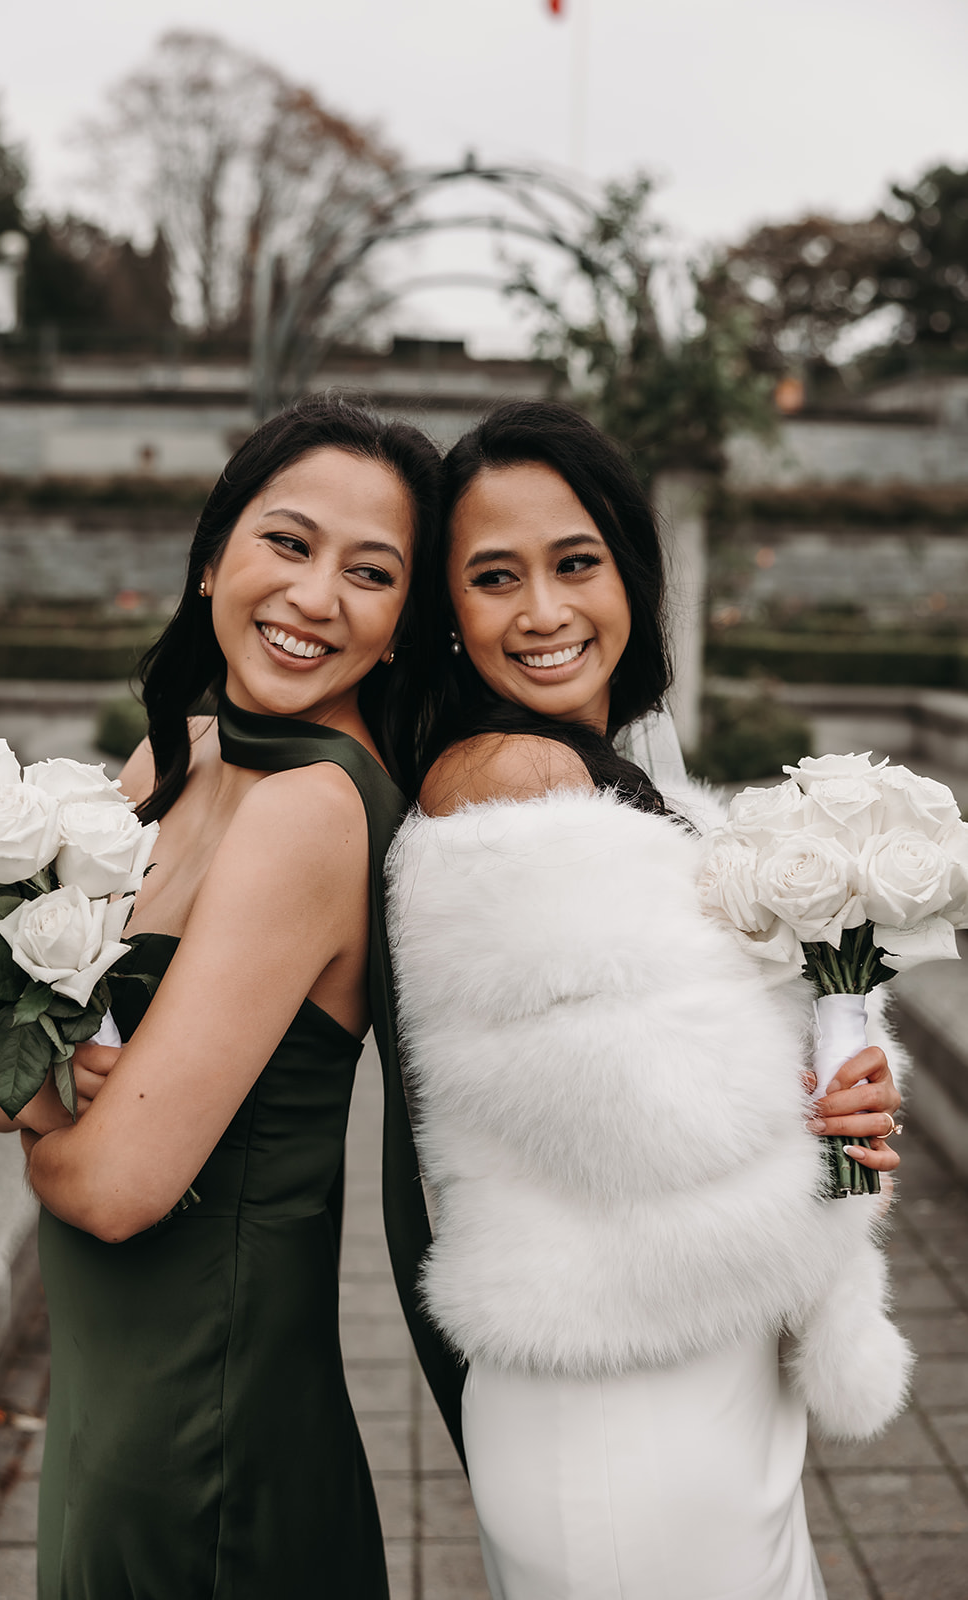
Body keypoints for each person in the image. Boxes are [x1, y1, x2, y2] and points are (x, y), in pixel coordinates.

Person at [386, 400, 910, 1600]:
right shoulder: (506, 776)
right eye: (492, 577)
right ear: (448, 616)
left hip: (708, 1370)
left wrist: (846, 1073)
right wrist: (825, 1148)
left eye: (575, 562)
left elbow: (720, 1051)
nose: (543, 612)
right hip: (616, 1408)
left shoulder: (616, 764)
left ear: (630, 568)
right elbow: (648, 1115)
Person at [0, 395, 463, 1599]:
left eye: (371, 572)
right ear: (211, 560)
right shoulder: (171, 757)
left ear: (402, 623)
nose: (314, 596)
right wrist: (57, 1100)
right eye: (286, 542)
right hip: (109, 1397)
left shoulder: (314, 808)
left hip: (210, 1415)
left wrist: (56, 1121)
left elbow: (114, 1184)